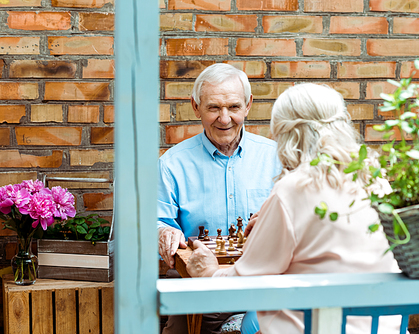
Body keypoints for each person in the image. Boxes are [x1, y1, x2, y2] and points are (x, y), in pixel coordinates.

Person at [186, 83, 401, 334]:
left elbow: (242, 288)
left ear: (289, 136)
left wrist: (209, 273)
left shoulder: (295, 189)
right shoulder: (376, 183)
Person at [158, 63, 281, 334]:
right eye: (213, 108)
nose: (224, 119)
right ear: (196, 106)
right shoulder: (172, 165)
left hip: (263, 294)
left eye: (234, 107)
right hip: (198, 296)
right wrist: (163, 232)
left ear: (248, 105)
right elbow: (158, 222)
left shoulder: (277, 158)